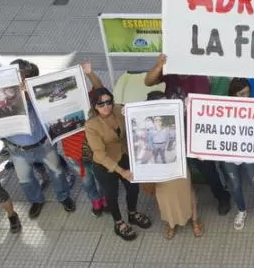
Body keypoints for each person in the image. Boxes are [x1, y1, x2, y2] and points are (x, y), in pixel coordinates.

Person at [144, 53, 233, 215]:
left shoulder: (199, 78)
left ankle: (222, 196)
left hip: (193, 132)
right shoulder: (169, 72)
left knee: (207, 168)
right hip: (170, 131)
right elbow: (148, 81)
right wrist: (159, 66)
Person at [3, 59, 75, 219]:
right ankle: (36, 200)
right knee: (25, 180)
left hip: (44, 145)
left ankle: (63, 197)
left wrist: (31, 94)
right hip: (17, 149)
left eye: (19, 79)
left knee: (57, 172)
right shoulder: (3, 100)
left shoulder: (41, 95)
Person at [85, 87, 152, 240]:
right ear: (94, 106)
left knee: (133, 187)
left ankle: (132, 213)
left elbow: (139, 116)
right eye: (101, 104)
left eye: (108, 102)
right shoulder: (91, 125)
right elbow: (100, 154)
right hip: (104, 165)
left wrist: (131, 113)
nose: (106, 106)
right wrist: (121, 171)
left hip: (124, 155)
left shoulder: (118, 109)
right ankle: (119, 222)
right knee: (111, 195)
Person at [144, 92, 202, 239]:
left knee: (187, 191)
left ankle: (194, 219)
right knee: (164, 196)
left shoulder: (175, 113)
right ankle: (171, 223)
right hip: (158, 164)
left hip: (177, 160)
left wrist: (190, 103)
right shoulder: (144, 122)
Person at [218, 78, 254, 230]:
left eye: (248, 93)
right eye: (242, 94)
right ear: (233, 95)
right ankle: (241, 211)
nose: (246, 97)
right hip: (229, 152)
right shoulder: (221, 109)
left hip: (248, 151)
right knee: (234, 185)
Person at [56, 62, 106, 216]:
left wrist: (89, 73)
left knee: (100, 179)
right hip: (73, 154)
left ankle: (104, 199)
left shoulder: (87, 98)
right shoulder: (54, 106)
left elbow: (99, 88)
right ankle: (95, 201)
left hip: (93, 151)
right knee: (87, 180)